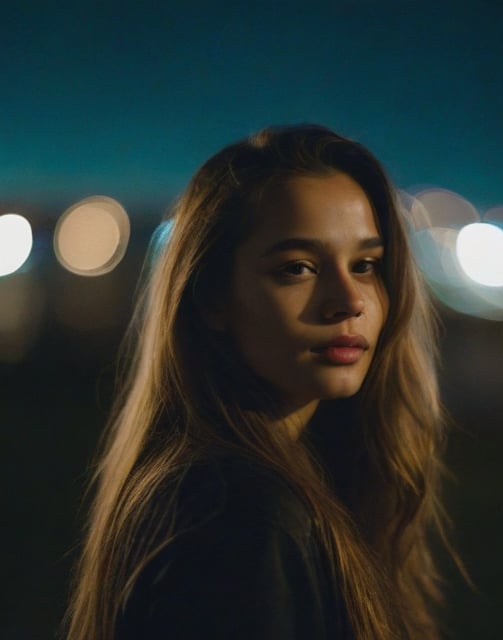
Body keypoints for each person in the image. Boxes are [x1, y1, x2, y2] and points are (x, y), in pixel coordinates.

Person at [65, 124, 451, 639]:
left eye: (364, 265)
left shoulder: (220, 488)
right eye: (298, 268)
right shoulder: (242, 519)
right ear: (212, 299)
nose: (349, 300)